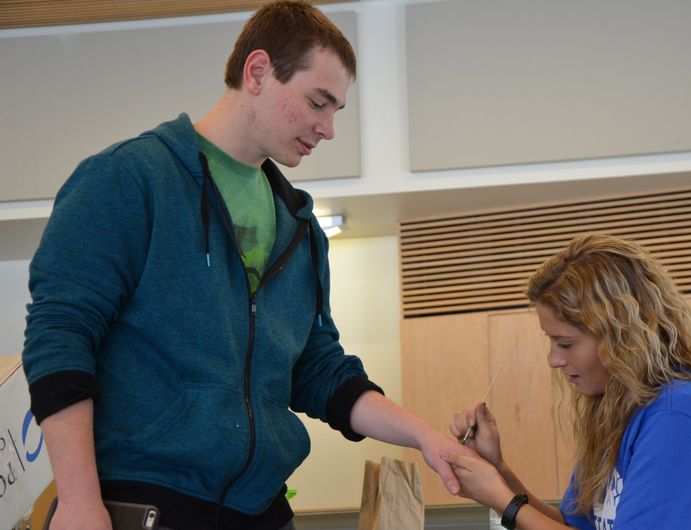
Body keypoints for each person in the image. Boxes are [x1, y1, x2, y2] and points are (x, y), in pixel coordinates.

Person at [21, 2, 472, 530]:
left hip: (261, 512)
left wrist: (425, 436)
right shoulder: (129, 180)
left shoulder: (299, 226)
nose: (327, 129)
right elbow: (60, 336)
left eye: (336, 112)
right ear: (257, 71)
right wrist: (77, 502)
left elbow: (318, 370)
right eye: (317, 102)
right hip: (146, 505)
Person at [442, 234, 691, 529]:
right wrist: (496, 470)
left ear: (622, 337)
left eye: (566, 343)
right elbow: (569, 525)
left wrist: (503, 500)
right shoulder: (622, 414)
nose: (553, 360)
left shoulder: (682, 416)